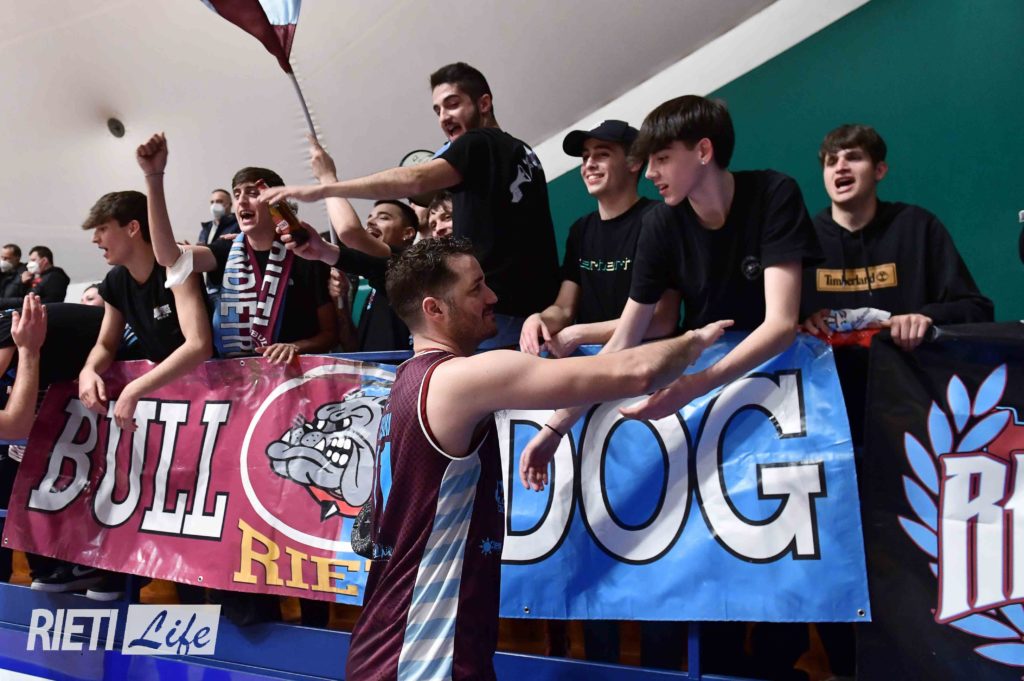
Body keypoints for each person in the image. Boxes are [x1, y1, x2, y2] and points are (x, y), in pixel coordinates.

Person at [313, 235, 729, 679]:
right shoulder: (457, 379)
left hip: (396, 646)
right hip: (423, 659)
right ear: (435, 309)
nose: (493, 297)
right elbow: (637, 372)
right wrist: (695, 340)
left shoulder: (404, 382)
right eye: (476, 289)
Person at [524, 95, 821, 676]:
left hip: (775, 393)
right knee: (707, 546)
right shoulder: (662, 223)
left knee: (780, 553)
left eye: (661, 158)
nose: (651, 173)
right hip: (706, 400)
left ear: (703, 151)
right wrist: (556, 427)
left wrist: (695, 382)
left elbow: (780, 323)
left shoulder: (773, 193)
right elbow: (624, 343)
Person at [262, 62, 561, 348]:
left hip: (501, 322)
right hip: (526, 321)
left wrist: (324, 186)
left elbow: (415, 180)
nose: (443, 117)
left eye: (452, 104)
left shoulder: (479, 142)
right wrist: (325, 251)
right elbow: (386, 265)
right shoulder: (522, 153)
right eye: (437, 110)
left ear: (484, 103)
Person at [30, 186, 213, 601]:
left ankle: (217, 618)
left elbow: (199, 345)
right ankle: (124, 582)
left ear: (132, 228)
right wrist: (89, 370)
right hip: (162, 410)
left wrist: (134, 388)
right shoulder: (115, 281)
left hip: (206, 406)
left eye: (102, 229)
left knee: (196, 518)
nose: (96, 240)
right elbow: (105, 343)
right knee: (159, 508)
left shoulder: (177, 266)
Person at [139, 133, 337, 362]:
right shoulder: (227, 250)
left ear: (277, 202)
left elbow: (330, 335)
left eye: (252, 193)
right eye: (237, 194)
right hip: (237, 376)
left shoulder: (305, 253)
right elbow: (168, 257)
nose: (241, 201)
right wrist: (153, 177)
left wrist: (297, 346)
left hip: (294, 376)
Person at [801, 124, 994, 350]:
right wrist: (803, 322)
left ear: (879, 170)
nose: (841, 167)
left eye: (853, 158)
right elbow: (775, 324)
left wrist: (926, 317)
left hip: (907, 369)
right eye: (831, 161)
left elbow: (977, 310)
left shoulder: (919, 227)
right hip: (829, 371)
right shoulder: (803, 241)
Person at [520, 120, 678, 360]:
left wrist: (580, 333)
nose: (589, 164)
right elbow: (564, 308)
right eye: (585, 157)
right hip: (593, 365)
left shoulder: (659, 220)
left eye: (602, 154)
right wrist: (539, 319)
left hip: (648, 360)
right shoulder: (581, 230)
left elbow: (662, 320)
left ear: (634, 162)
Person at [302, 136, 416, 352]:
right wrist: (342, 303)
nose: (371, 222)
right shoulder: (367, 282)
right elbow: (352, 345)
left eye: (383, 217)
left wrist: (327, 179)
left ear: (408, 233)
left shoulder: (412, 266)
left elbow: (349, 232)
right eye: (370, 217)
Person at [0, 246, 69, 307]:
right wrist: (23, 283)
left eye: (33, 260)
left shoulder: (55, 277)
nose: (29, 264)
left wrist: (4, 302)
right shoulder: (40, 276)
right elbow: (26, 296)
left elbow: (50, 301)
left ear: (44, 261)